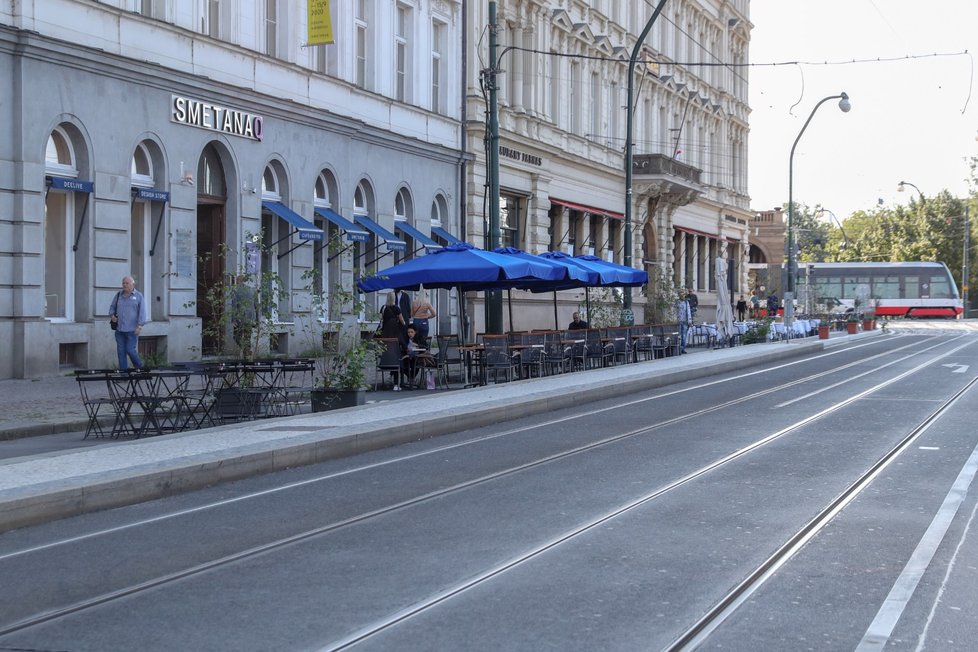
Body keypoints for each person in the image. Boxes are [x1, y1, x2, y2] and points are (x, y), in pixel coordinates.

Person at [109, 275, 147, 370]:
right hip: (119, 330)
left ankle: (139, 368)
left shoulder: (138, 296)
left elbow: (142, 312)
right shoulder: (118, 295)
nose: (124, 285)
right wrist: (112, 316)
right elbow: (112, 307)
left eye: (127, 283)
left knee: (130, 350)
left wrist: (140, 326)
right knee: (121, 352)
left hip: (132, 330)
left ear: (133, 284)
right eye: (123, 283)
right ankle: (124, 375)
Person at [230, 276, 257, 359]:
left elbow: (234, 306)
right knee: (247, 337)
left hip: (240, 318)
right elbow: (256, 306)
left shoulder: (236, 290)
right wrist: (257, 320)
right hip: (251, 318)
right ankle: (247, 355)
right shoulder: (253, 290)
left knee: (236, 336)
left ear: (238, 281)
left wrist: (233, 320)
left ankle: (246, 351)